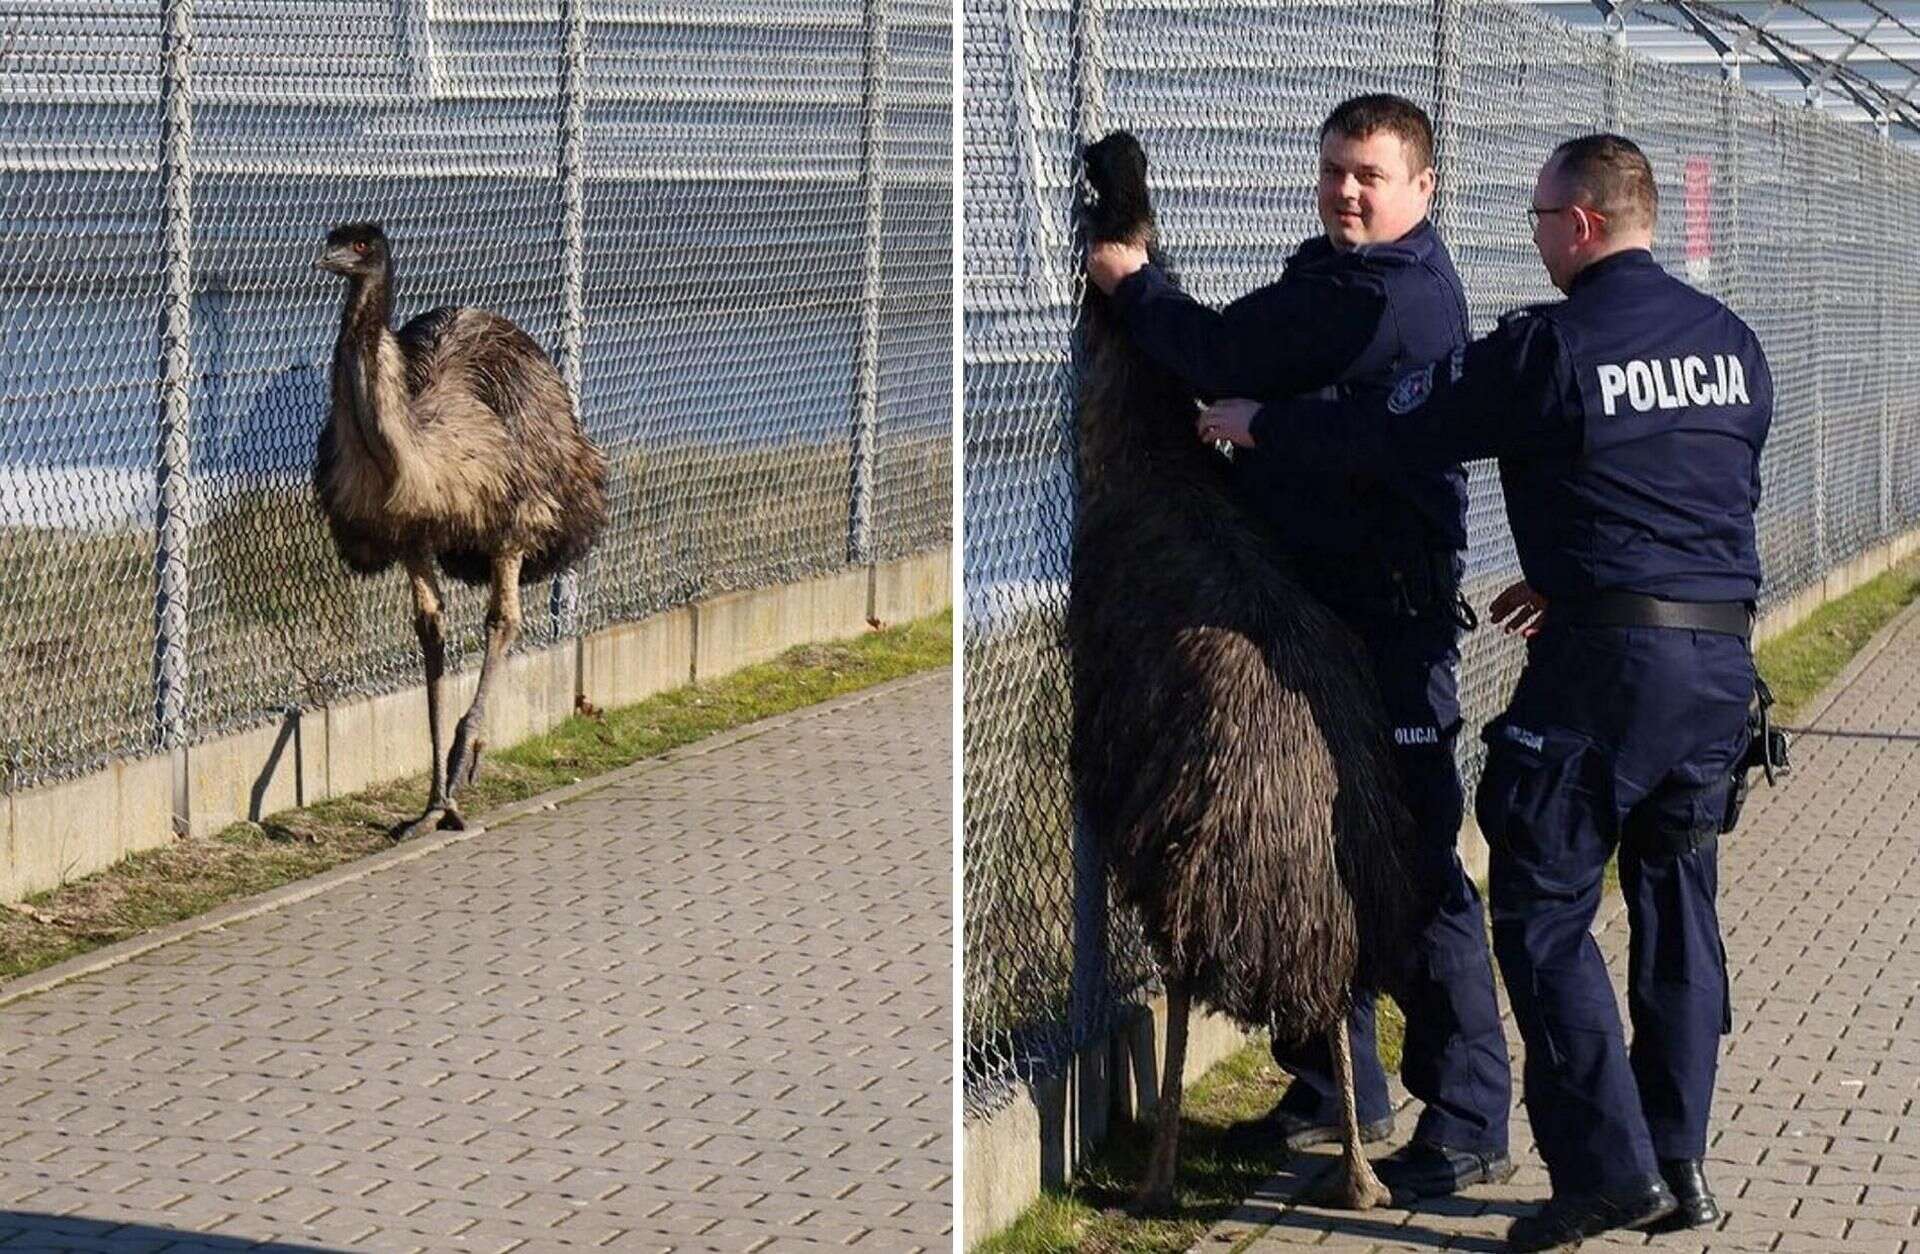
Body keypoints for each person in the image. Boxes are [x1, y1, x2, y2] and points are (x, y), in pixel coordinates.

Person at [1200, 134, 1770, 1250]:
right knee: (1676, 911)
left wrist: (1260, 423)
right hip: (1717, 664)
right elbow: (1701, 489)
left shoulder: (1549, 348)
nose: (1540, 241)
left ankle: (1605, 1174)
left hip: (1606, 678)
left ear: (1585, 224)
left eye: (1542, 221)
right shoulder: (1732, 344)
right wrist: (1576, 578)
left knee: (1544, 915)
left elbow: (1396, 424)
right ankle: (1680, 1161)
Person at [1086, 94, 1514, 1202]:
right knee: (1299, 820)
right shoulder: (1333, 275)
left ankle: (1468, 1112)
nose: (1347, 191)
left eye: (1370, 174)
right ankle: (1339, 1087)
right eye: (1333, 171)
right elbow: (1251, 360)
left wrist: (1136, 283)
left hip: (1384, 617)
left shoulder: (1389, 297)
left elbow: (1227, 350)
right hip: (1307, 593)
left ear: (1422, 188)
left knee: (1409, 848)